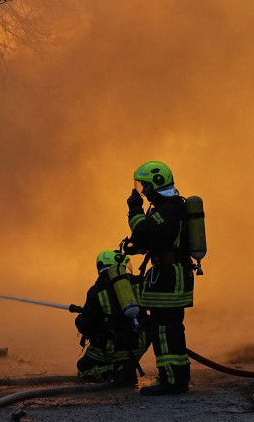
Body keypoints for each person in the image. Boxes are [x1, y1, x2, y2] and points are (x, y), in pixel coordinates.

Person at [123, 160, 194, 395]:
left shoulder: (169, 209)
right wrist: (136, 247)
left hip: (170, 276)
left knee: (164, 328)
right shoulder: (166, 207)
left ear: (156, 183)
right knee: (168, 328)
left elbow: (146, 232)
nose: (142, 190)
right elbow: (152, 239)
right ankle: (175, 377)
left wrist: (134, 210)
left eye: (144, 185)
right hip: (168, 274)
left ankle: (171, 381)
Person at [71, 250, 148, 386]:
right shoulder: (139, 283)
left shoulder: (96, 290)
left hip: (113, 348)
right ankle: (126, 366)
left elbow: (86, 325)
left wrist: (80, 319)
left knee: (83, 368)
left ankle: (116, 369)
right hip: (140, 345)